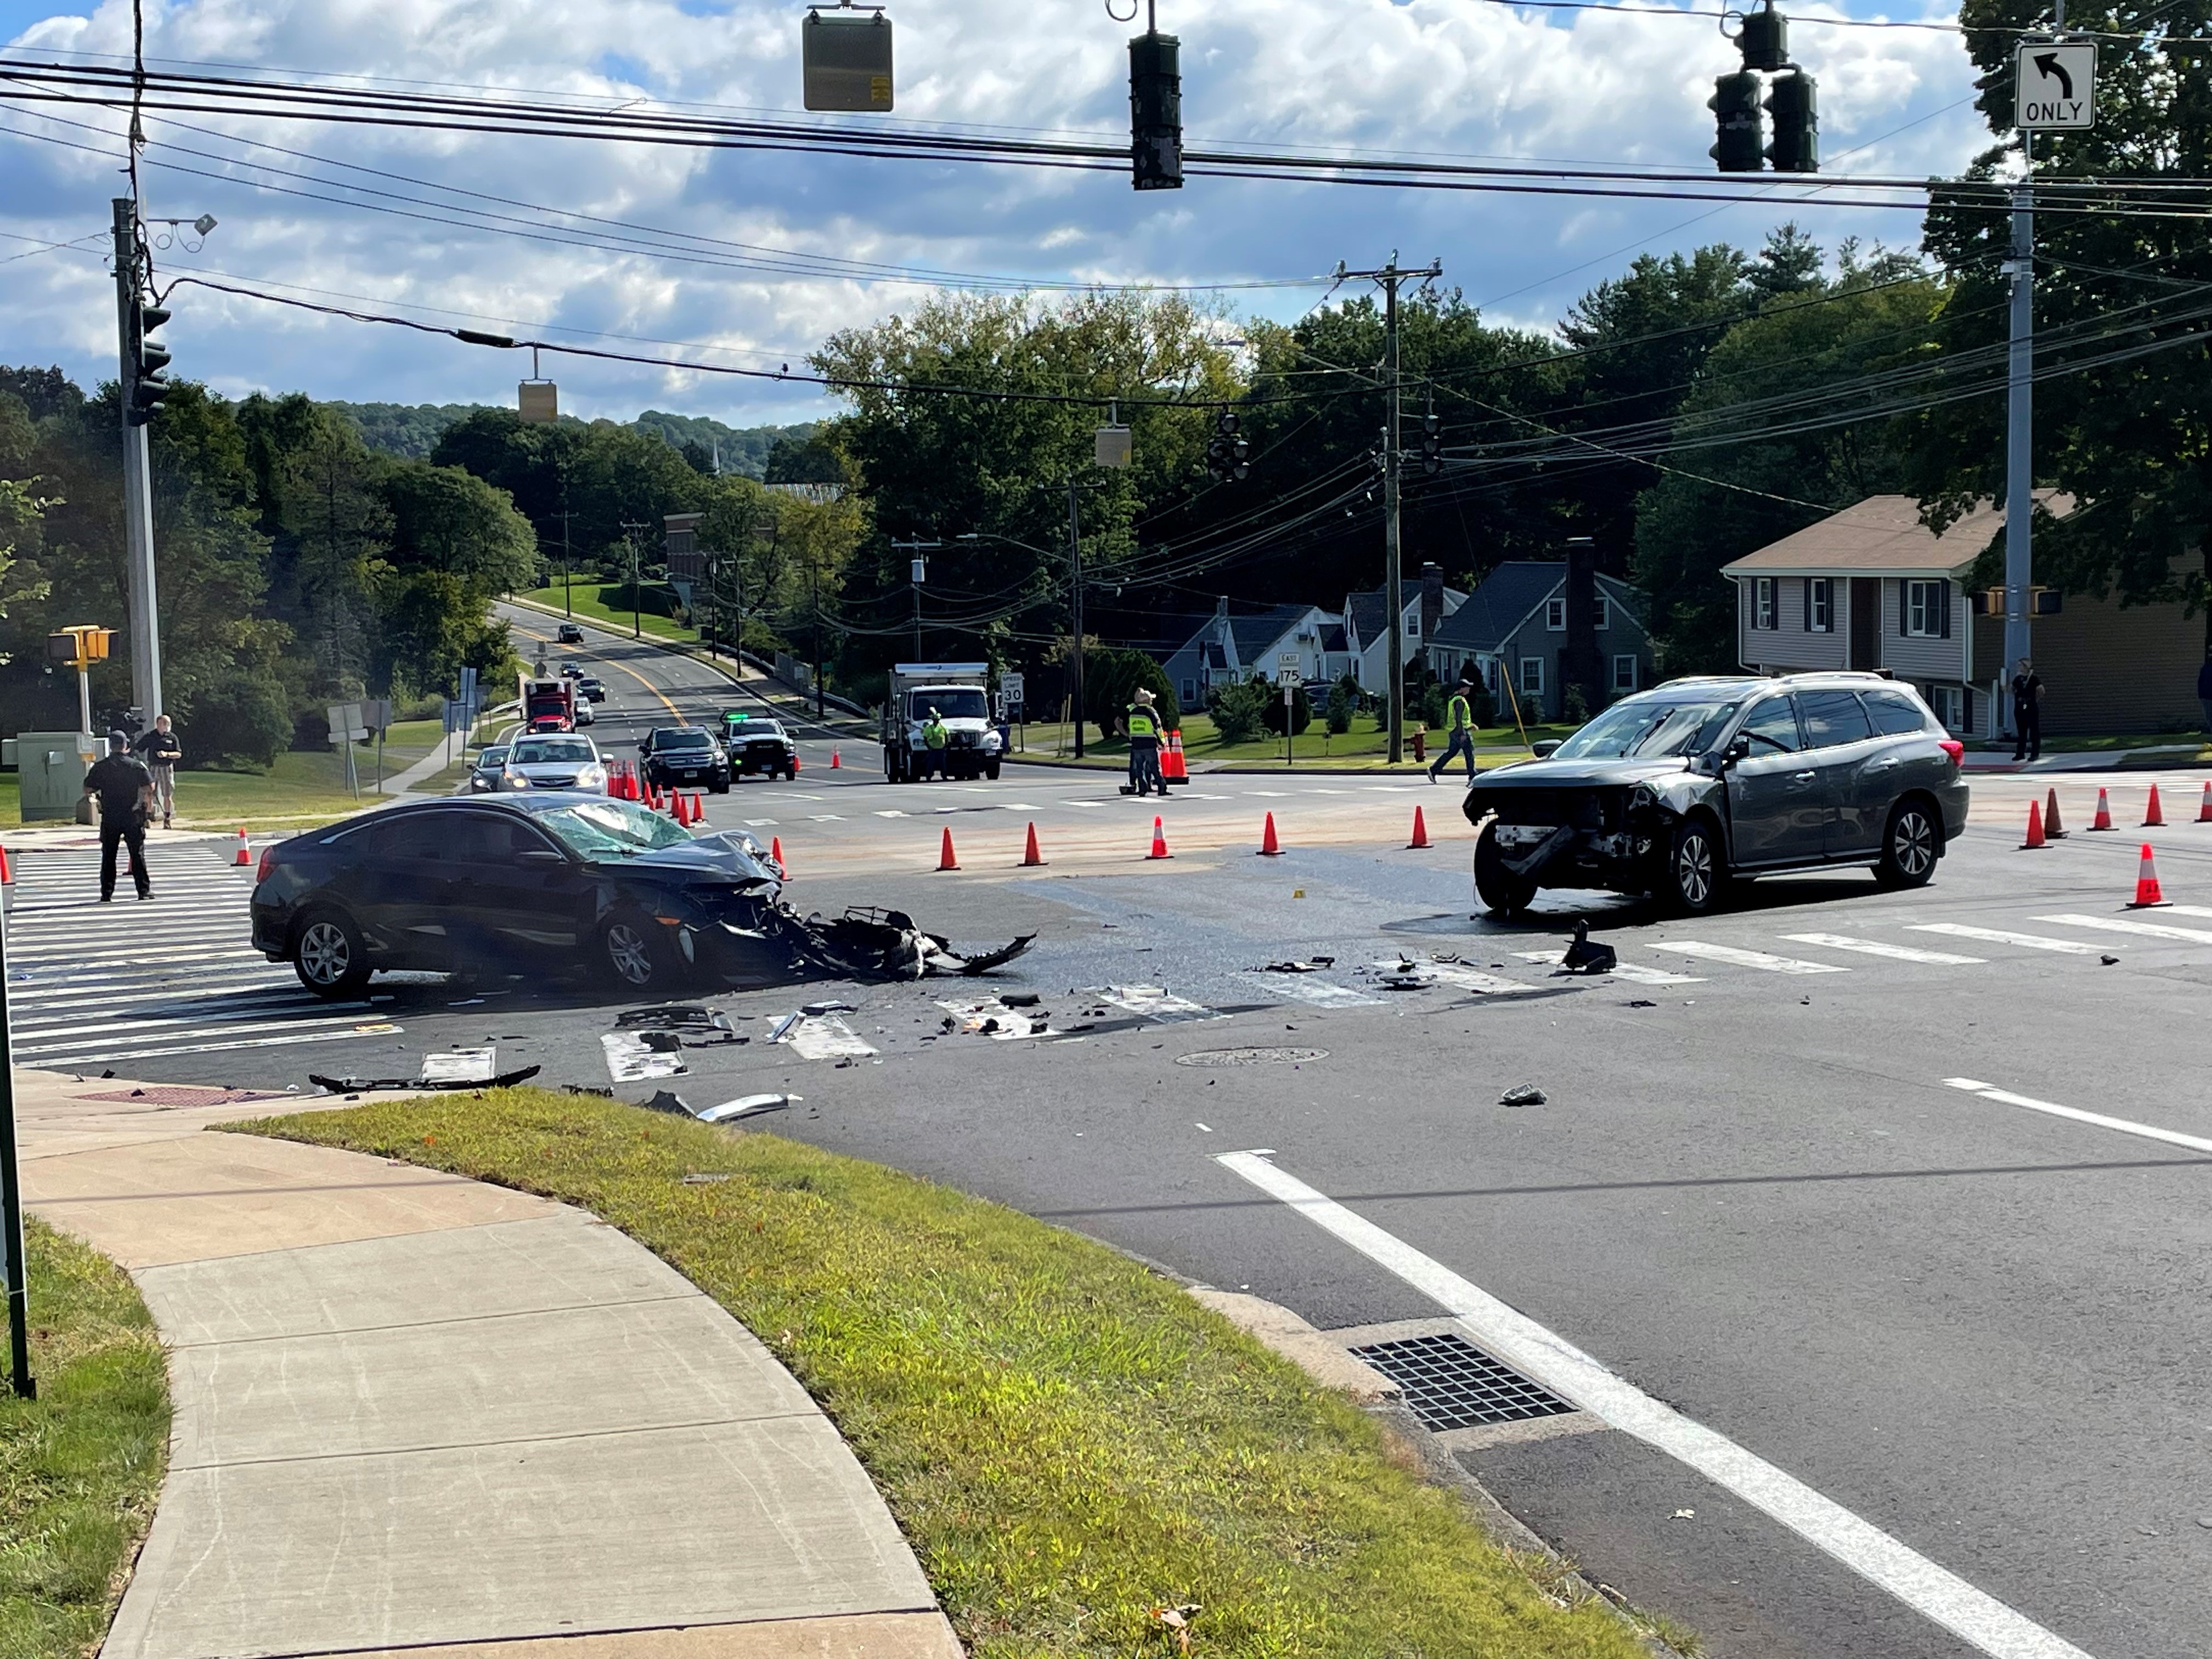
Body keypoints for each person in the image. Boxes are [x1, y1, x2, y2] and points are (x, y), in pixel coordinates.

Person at [83, 730, 154, 901]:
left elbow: (87, 789)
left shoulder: (100, 767)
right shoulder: (136, 765)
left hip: (110, 816)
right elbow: (149, 787)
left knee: (109, 855)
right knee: (137, 854)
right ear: (125, 746)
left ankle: (106, 893)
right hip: (132, 815)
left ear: (111, 746)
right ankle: (143, 891)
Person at [1428, 674, 1479, 782]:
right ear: (1461, 689)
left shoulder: (1453, 699)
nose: (1469, 689)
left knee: (1452, 752)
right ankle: (1472, 776)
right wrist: (1462, 734)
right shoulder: (1459, 701)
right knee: (1469, 752)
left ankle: (1434, 770)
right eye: (1467, 687)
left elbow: (1461, 719)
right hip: (1460, 732)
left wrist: (1470, 725)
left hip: (1453, 731)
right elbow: (1458, 718)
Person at [136, 713, 182, 829]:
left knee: (167, 794)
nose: (166, 726)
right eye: (164, 723)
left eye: (168, 724)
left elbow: (179, 754)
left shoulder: (172, 737)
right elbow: (139, 747)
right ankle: (147, 818)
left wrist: (167, 754)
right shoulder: (151, 736)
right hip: (153, 767)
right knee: (149, 792)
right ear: (158, 724)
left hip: (167, 767)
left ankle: (167, 819)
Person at [1126, 687, 1164, 797]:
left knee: (1139, 769)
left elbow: (1131, 728)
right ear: (1147, 701)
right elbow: (1157, 728)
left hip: (1136, 745)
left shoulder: (1133, 712)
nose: (1152, 701)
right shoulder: (1151, 712)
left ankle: (1142, 789)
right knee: (1154, 768)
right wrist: (1162, 742)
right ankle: (1162, 788)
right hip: (1149, 744)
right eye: (1151, 699)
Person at [2010, 656, 2044, 762]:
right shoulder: (2018, 679)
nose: (2019, 667)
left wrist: (2035, 699)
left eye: (2021, 665)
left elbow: (2041, 690)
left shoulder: (2034, 678)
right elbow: (2012, 689)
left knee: (2034, 731)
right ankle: (2020, 754)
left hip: (2030, 705)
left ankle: (2034, 754)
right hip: (2020, 706)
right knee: (2022, 731)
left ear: (2026, 667)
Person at [919, 706, 949, 781]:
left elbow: (947, 736)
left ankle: (944, 777)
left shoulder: (942, 727)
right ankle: (928, 777)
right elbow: (925, 738)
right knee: (930, 765)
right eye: (935, 720)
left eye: (937, 720)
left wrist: (946, 746)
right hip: (933, 750)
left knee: (943, 765)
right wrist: (929, 747)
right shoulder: (929, 728)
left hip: (941, 750)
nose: (936, 721)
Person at [2198, 653, 2212, 735]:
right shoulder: (2205, 668)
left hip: (2206, 696)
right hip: (2206, 697)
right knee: (2209, 717)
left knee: (2209, 717)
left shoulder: (2205, 668)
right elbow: (2201, 682)